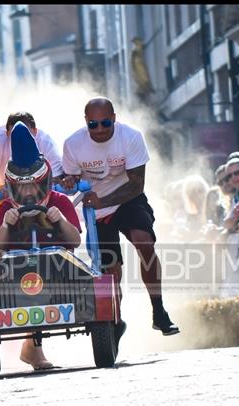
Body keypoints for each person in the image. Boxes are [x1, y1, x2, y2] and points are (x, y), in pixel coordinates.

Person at [60, 96, 179, 338]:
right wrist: (69, 181)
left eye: (105, 123)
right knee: (110, 268)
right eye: (93, 125)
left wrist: (103, 200)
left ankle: (158, 310)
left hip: (127, 199)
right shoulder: (73, 144)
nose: (100, 129)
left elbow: (137, 184)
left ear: (114, 118)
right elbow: (68, 182)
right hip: (97, 210)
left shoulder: (131, 136)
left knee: (144, 242)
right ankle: (114, 320)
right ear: (86, 123)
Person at [0, 121, 82, 371]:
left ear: (43, 180)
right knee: (26, 279)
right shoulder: (7, 208)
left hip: (60, 268)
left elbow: (75, 240)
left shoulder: (60, 202)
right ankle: (33, 349)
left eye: (32, 184)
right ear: (13, 185)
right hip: (17, 271)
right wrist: (6, 226)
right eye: (21, 186)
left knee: (40, 278)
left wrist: (59, 220)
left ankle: (32, 348)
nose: (28, 192)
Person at [0, 111, 64, 183]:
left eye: (27, 133)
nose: (21, 138)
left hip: (39, 191)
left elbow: (57, 178)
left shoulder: (47, 144)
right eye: (14, 134)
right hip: (5, 189)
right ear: (7, 133)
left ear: (35, 131)